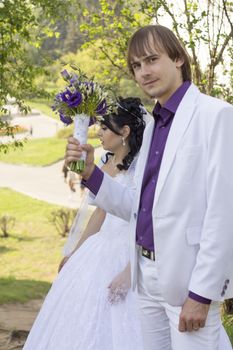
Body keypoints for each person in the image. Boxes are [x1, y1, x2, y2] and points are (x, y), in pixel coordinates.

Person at [65, 25, 233, 350]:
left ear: (178, 58)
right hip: (145, 280)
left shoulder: (217, 116)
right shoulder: (155, 123)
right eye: (137, 66)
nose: (144, 72)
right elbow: (137, 206)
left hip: (186, 283)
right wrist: (91, 174)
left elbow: (224, 214)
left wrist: (201, 293)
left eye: (152, 60)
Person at [23, 97, 146, 350]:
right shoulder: (104, 162)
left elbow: (144, 220)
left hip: (128, 249)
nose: (99, 133)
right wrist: (74, 253)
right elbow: (99, 214)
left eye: (105, 128)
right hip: (99, 248)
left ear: (124, 132)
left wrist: (130, 269)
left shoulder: (141, 169)